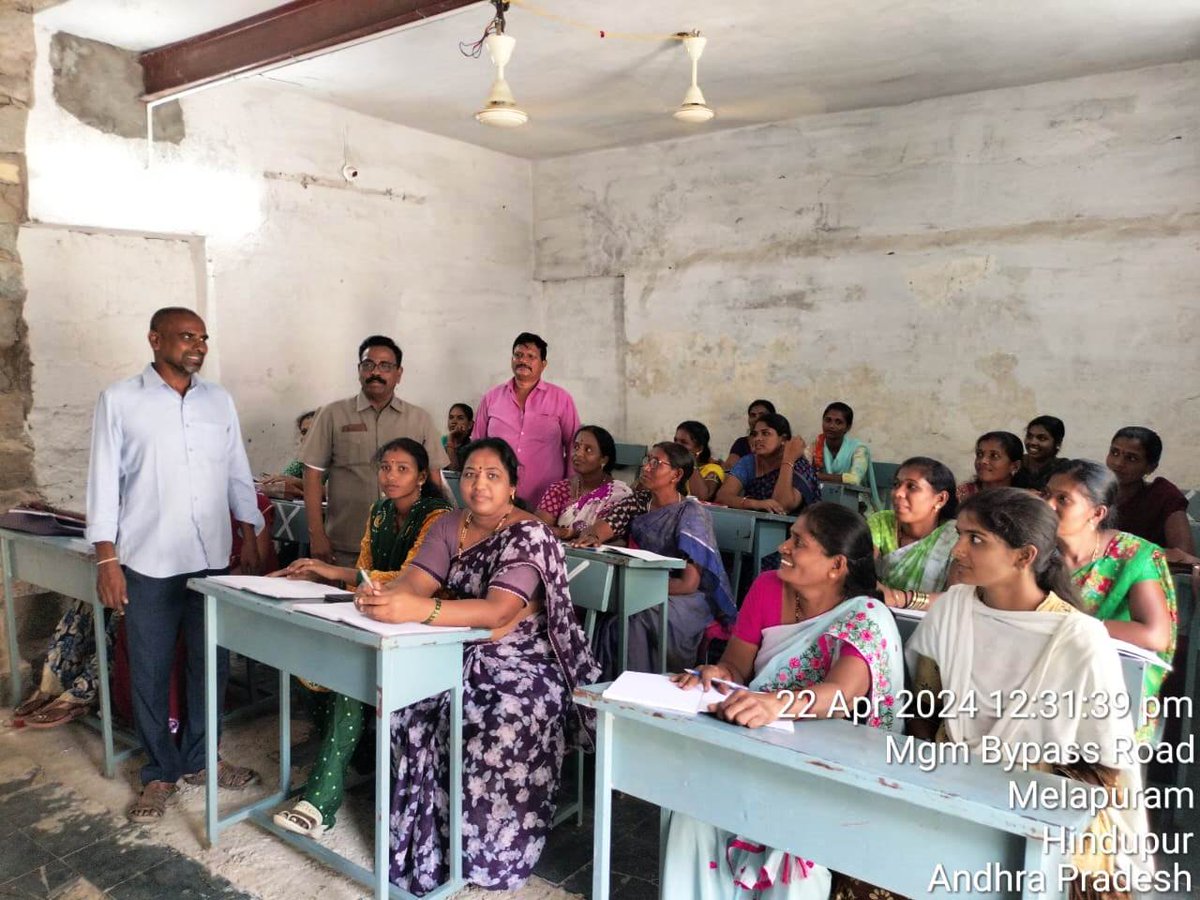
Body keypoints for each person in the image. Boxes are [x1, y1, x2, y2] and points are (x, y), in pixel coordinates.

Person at [835, 488, 1151, 900]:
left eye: (976, 540)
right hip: (949, 775)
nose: (958, 550)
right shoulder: (954, 607)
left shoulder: (1079, 638)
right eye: (960, 535)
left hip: (1042, 796)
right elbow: (925, 710)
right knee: (865, 861)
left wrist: (1010, 798)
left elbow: (1100, 762)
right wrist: (938, 778)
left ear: (1025, 556)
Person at [353, 438, 598, 893]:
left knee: (496, 723)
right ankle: (431, 842)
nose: (479, 484)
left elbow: (497, 613)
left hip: (525, 660)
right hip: (459, 644)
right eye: (469, 473)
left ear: (512, 484)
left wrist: (415, 611)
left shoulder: (530, 533)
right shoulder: (451, 524)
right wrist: (390, 595)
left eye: (492, 475)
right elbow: (417, 581)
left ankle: (489, 855)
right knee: (409, 707)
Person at [663, 503, 904, 898]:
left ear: (836, 565)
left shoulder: (866, 615)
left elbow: (841, 694)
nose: (783, 548)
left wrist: (777, 703)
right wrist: (719, 675)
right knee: (692, 811)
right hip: (758, 742)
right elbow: (737, 667)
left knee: (795, 848)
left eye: (799, 542)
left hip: (825, 767)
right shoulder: (767, 587)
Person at [86, 306, 264, 823]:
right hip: (147, 559)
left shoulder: (218, 400)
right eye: (186, 337)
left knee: (210, 663)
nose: (198, 346)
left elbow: (236, 470)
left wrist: (249, 532)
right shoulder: (120, 400)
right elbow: (102, 484)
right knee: (149, 666)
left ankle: (200, 759)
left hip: (210, 557)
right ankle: (159, 772)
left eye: (203, 337)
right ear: (155, 339)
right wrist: (107, 559)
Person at [270, 438, 452, 839]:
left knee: (350, 678)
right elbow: (366, 569)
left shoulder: (437, 516)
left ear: (422, 476)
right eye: (385, 467)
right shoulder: (381, 510)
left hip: (421, 622)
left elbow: (412, 580)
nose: (390, 476)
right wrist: (325, 573)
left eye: (402, 469)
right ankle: (362, 755)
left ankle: (320, 802)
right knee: (310, 663)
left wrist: (333, 572)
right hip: (376, 612)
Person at [17, 495, 277, 730]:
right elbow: (131, 526)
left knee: (127, 607)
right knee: (90, 601)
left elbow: (254, 568)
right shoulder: (190, 497)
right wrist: (56, 513)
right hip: (181, 584)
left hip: (220, 594)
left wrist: (196, 583)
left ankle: (83, 691)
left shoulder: (255, 504)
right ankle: (53, 683)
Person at [575, 442, 736, 675]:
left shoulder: (692, 514)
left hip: (681, 597)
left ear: (676, 474)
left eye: (656, 463)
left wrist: (636, 589)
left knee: (634, 616)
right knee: (595, 606)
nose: (646, 468)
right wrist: (591, 536)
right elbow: (604, 527)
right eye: (646, 461)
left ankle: (635, 691)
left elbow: (688, 583)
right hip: (636, 586)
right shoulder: (638, 502)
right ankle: (594, 686)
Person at [1045, 460, 1176, 741]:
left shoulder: (1132, 555)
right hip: (1044, 678)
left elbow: (1154, 635)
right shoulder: (1036, 551)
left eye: (1063, 499)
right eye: (1046, 495)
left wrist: (1070, 625)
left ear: (1096, 513)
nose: (1048, 505)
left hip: (1110, 685)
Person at [301, 335, 447, 567]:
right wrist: (316, 535)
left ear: (399, 373)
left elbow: (434, 480)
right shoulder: (332, 414)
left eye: (385, 366)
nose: (375, 372)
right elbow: (312, 474)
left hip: (407, 546)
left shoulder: (419, 419)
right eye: (368, 365)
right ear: (359, 370)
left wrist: (438, 536)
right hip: (346, 543)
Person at [471, 332, 581, 507]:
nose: (523, 360)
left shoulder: (561, 399)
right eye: (518, 355)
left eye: (531, 357)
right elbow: (477, 445)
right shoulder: (491, 398)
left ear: (543, 365)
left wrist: (569, 489)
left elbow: (575, 445)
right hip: (496, 496)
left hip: (547, 499)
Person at [869, 457, 959, 608]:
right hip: (878, 611)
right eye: (896, 484)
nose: (898, 493)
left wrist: (898, 598)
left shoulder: (954, 535)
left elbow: (956, 598)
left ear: (940, 499)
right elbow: (861, 572)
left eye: (911, 487)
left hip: (931, 621)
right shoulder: (881, 522)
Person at [1106, 426, 1195, 563]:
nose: (1118, 463)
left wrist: (1124, 552)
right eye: (1115, 453)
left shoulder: (1163, 496)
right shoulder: (1093, 489)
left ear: (1151, 467)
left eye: (1131, 458)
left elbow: (1185, 555)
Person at [534, 425, 632, 540]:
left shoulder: (618, 494)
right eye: (576, 447)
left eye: (588, 450)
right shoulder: (559, 489)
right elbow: (538, 528)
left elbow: (609, 534)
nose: (578, 454)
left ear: (603, 459)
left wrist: (566, 532)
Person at [715, 413, 821, 514]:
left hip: (795, 529)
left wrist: (787, 460)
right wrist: (756, 504)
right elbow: (722, 497)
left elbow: (782, 506)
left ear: (783, 439)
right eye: (755, 434)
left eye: (766, 433)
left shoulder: (799, 465)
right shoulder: (749, 462)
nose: (758, 439)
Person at [811, 402, 878, 507]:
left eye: (838, 422)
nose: (831, 426)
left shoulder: (859, 449)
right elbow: (804, 471)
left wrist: (819, 476)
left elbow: (854, 479)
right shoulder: (816, 445)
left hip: (855, 503)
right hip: (822, 501)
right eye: (828, 420)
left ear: (848, 427)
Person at [258, 409, 316, 500]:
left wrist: (296, 482)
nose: (307, 437)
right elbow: (284, 480)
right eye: (304, 432)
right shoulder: (303, 461)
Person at [955, 430, 1023, 503]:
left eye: (994, 456)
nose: (982, 461)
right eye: (980, 454)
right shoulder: (963, 494)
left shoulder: (1024, 500)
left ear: (1015, 466)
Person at [674, 420, 725, 501]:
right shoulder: (673, 467)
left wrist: (692, 464)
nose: (676, 446)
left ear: (700, 448)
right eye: (675, 440)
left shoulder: (713, 469)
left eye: (684, 442)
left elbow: (702, 498)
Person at [1014, 414, 1065, 492]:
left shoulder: (1064, 469)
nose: (1032, 442)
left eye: (1042, 438)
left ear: (1058, 443)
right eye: (1029, 436)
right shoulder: (1015, 463)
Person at [723, 398, 775, 471]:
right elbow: (730, 467)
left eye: (762, 415)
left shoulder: (780, 441)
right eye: (752, 415)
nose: (756, 418)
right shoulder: (741, 443)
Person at [442, 402, 474, 472]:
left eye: (460, 418)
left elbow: (454, 473)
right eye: (451, 417)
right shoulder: (442, 442)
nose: (454, 421)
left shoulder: (472, 447)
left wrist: (451, 439)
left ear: (470, 424)